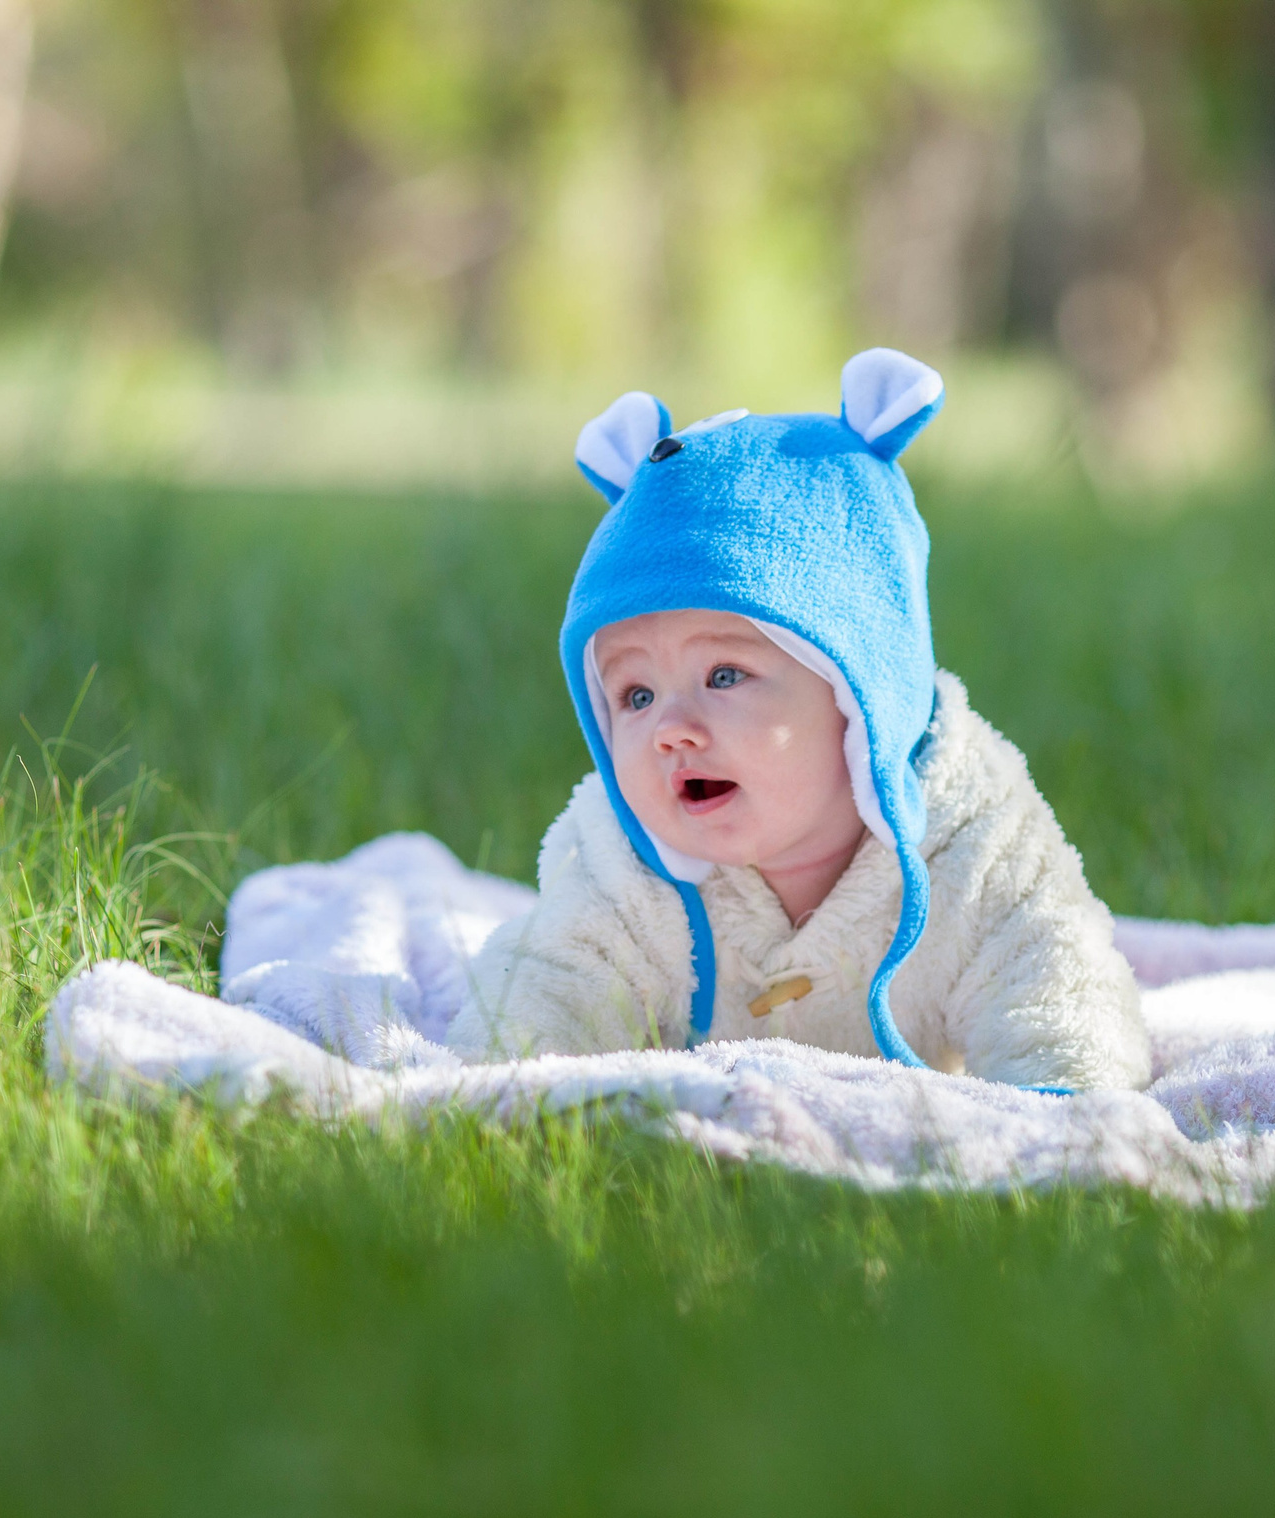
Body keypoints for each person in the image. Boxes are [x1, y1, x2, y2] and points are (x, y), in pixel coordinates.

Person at [447, 349, 1149, 1094]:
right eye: (635, 695)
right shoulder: (624, 862)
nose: (670, 729)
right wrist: (507, 1087)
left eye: (724, 675)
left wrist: (1068, 1117)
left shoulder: (972, 840)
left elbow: (1060, 989)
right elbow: (545, 988)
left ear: (859, 691)